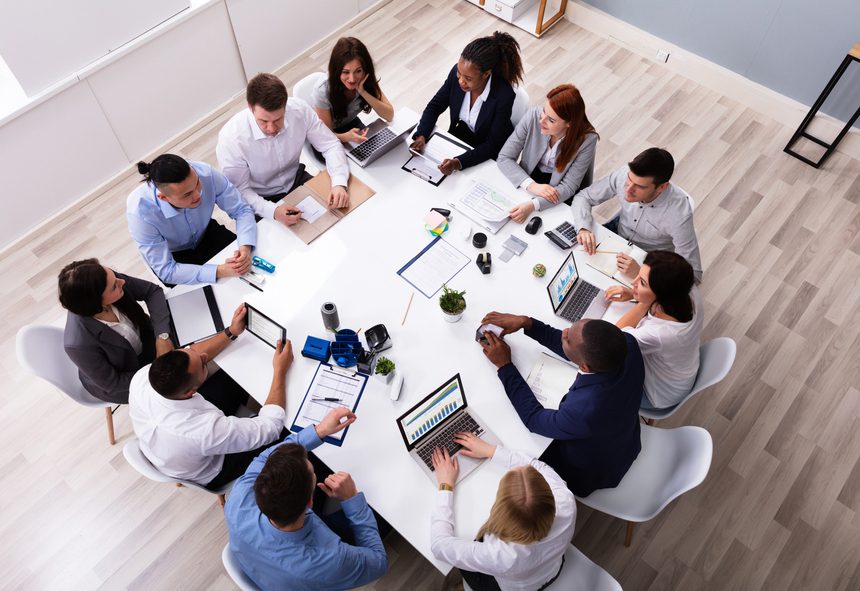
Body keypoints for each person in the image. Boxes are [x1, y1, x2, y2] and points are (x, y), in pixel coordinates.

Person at [478, 313, 644, 497]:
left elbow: (534, 419)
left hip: (592, 471)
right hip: (625, 438)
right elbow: (578, 350)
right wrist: (528, 323)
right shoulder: (627, 343)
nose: (564, 332)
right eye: (570, 329)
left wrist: (505, 366)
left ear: (586, 367)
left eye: (568, 338)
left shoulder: (584, 411)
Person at [225, 407, 389, 591]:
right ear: (309, 504)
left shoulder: (239, 497)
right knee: (384, 510)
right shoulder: (330, 560)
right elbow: (379, 562)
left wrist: (319, 431)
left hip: (267, 564)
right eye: (313, 475)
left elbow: (267, 457)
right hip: (312, 562)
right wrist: (352, 500)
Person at [128, 305, 290, 489]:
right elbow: (270, 428)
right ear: (191, 392)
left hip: (172, 447)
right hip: (215, 467)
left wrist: (231, 332)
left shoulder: (143, 376)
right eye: (204, 363)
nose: (205, 355)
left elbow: (195, 354)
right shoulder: (201, 432)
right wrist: (280, 370)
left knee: (233, 373)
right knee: (287, 431)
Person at [430, 434, 575, 591]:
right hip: (553, 569)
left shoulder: (500, 556)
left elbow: (439, 546)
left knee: (465, 561)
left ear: (500, 509)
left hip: (514, 587)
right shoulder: (565, 500)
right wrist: (491, 450)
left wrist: (445, 486)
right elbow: (536, 466)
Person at [216, 73, 350, 226]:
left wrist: (339, 182)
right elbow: (240, 189)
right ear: (250, 108)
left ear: (286, 106)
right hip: (259, 197)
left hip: (296, 179)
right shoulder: (231, 138)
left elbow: (330, 145)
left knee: (339, 219)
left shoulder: (299, 110)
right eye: (264, 121)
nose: (271, 128)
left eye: (278, 119)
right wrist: (273, 211)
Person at [571, 147, 703, 282]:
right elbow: (583, 197)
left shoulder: (679, 214)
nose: (628, 189)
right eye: (629, 179)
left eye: (640, 186)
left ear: (662, 187)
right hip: (618, 233)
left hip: (649, 258)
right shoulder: (625, 174)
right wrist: (583, 228)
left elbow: (694, 275)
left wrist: (642, 274)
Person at [127, 154, 257, 286]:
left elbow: (241, 210)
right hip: (175, 255)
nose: (198, 195)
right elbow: (166, 271)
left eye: (197, 184)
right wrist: (219, 271)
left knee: (252, 265)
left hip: (206, 233)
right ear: (164, 198)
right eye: (187, 194)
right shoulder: (140, 213)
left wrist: (245, 248)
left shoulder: (205, 172)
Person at [59, 258, 174, 404]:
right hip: (129, 379)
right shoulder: (78, 344)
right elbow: (114, 384)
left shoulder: (107, 279)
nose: (122, 282)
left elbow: (152, 292)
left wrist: (162, 336)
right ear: (97, 303)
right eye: (114, 287)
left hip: (149, 344)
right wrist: (160, 371)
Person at [410, 31, 523, 175]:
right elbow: (435, 106)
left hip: (486, 150)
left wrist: (459, 162)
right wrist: (422, 135)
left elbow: (493, 145)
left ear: (486, 74)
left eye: (468, 78)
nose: (461, 81)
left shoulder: (503, 96)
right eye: (459, 73)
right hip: (459, 138)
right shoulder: (456, 75)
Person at [605, 250, 704, 410]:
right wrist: (636, 294)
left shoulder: (660, 334)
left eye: (642, 283)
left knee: (599, 370)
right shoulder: (688, 290)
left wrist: (642, 301)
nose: (633, 283)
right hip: (678, 371)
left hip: (657, 394)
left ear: (661, 296)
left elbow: (613, 339)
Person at [497, 84, 598, 223]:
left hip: (559, 192)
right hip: (527, 178)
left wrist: (533, 205)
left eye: (551, 120)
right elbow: (504, 157)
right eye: (544, 111)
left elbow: (568, 187)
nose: (541, 121)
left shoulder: (587, 140)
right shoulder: (533, 116)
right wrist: (532, 186)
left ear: (569, 123)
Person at [312, 37, 394, 145]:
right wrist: (345, 137)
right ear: (336, 71)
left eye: (358, 71)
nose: (352, 79)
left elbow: (389, 115)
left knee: (379, 150)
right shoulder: (323, 90)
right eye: (346, 72)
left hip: (351, 125)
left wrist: (363, 92)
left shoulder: (365, 79)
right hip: (327, 137)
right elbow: (325, 135)